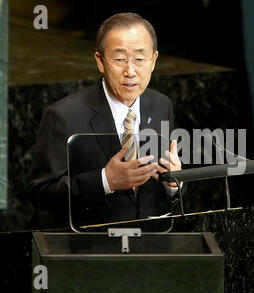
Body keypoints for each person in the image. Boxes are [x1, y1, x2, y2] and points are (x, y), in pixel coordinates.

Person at [29, 13, 183, 230]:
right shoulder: (63, 115)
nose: (130, 71)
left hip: (152, 246)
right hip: (91, 250)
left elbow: (164, 189)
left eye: (139, 59)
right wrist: (105, 181)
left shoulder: (161, 105)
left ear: (154, 60)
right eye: (119, 59)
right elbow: (41, 194)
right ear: (100, 62)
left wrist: (173, 184)